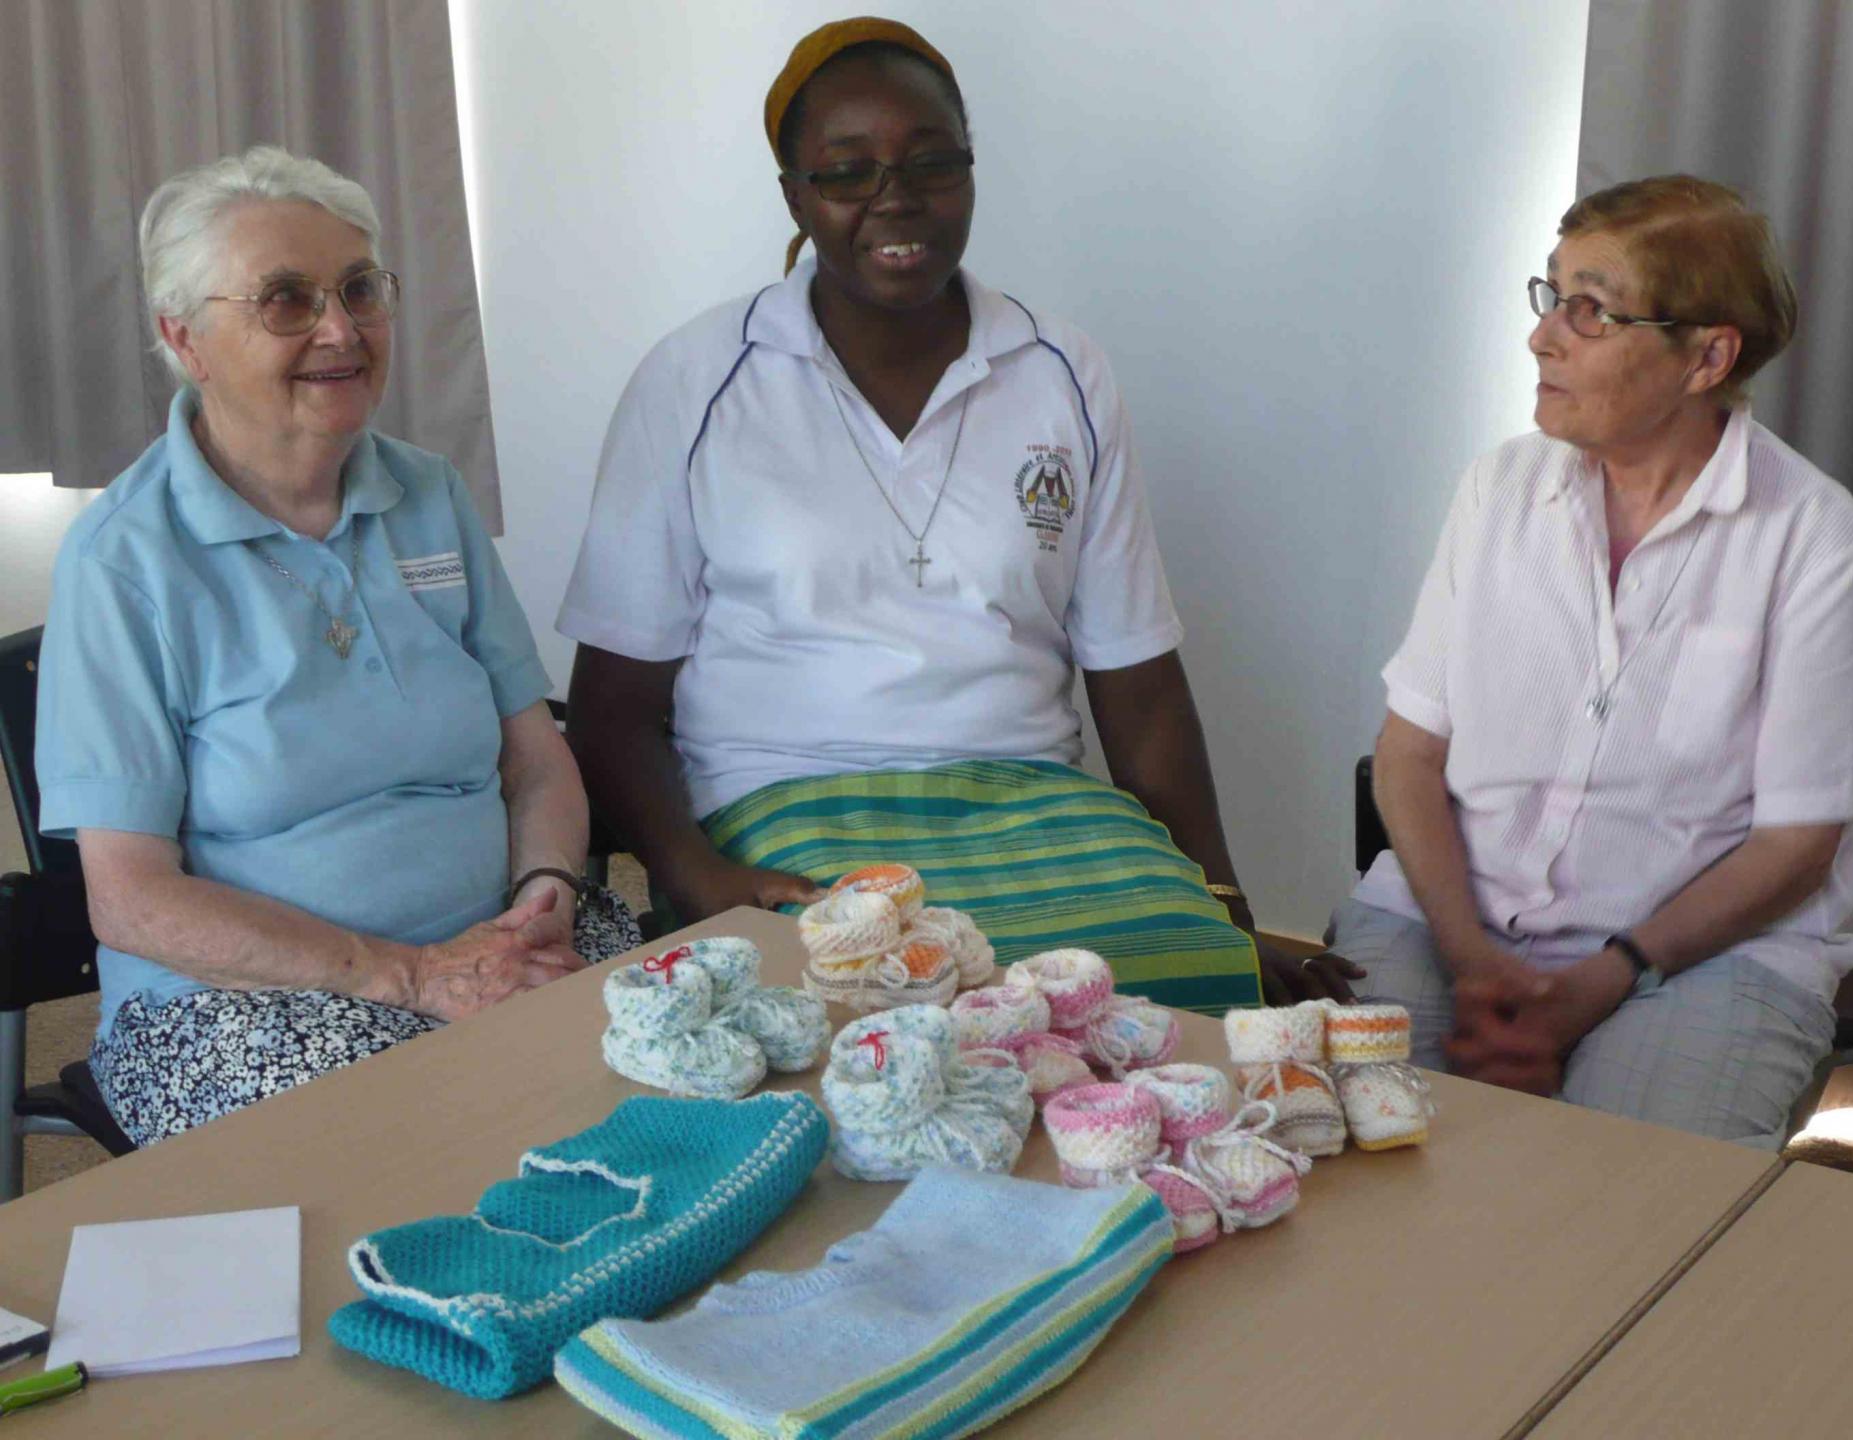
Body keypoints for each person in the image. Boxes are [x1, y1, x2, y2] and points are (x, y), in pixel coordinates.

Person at [561, 18, 1319, 1015]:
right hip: (784, 797)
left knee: (1184, 978)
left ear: (969, 169)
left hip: (1031, 797)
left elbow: (1136, 682)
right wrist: (694, 872)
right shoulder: (697, 380)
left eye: (930, 163)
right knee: (893, 1001)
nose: (895, 199)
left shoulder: (1061, 372)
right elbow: (613, 704)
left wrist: (1220, 902)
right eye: (847, 172)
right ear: (794, 193)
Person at [35, 147, 645, 1146]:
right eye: (286, 300)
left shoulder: (428, 494)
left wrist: (545, 893)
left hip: (500, 948)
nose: (340, 330)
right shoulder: (125, 562)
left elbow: (534, 755)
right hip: (240, 1006)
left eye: (360, 290)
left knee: (695, 1081)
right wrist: (408, 975)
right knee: (444, 1155)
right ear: (182, 338)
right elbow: (132, 900)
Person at [1327, 175, 1853, 1142]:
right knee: (1337, 1155)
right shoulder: (1499, 489)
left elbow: (1796, 843)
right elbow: (1408, 754)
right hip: (1449, 919)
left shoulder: (1808, 532)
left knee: (1624, 1205)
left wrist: (1603, 978)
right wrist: (1472, 959)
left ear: (1706, 356)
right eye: (1551, 295)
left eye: (1591, 311)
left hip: (1706, 953)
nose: (1543, 336)